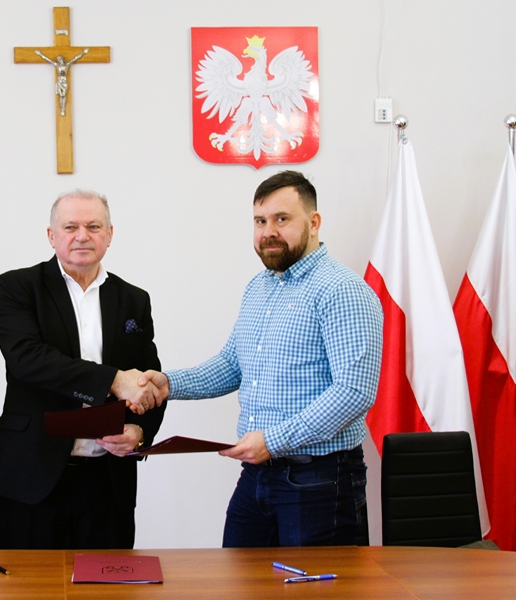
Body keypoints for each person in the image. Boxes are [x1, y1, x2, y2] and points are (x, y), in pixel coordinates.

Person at [141, 171, 383, 547]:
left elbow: (354, 392)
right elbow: (233, 365)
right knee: (240, 584)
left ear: (314, 222)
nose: (268, 232)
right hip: (257, 475)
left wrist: (274, 440)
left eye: (282, 219)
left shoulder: (343, 290)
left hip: (320, 480)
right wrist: (169, 383)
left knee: (313, 595)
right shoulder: (259, 286)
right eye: (260, 221)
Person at [0, 189, 166, 549]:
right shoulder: (19, 287)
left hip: (107, 479)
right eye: (71, 227)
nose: (82, 236)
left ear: (110, 234)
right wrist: (112, 381)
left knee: (107, 588)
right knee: (23, 589)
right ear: (52, 236)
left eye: (94, 226)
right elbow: (27, 359)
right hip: (30, 473)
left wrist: (139, 433)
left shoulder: (133, 299)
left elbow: (149, 382)